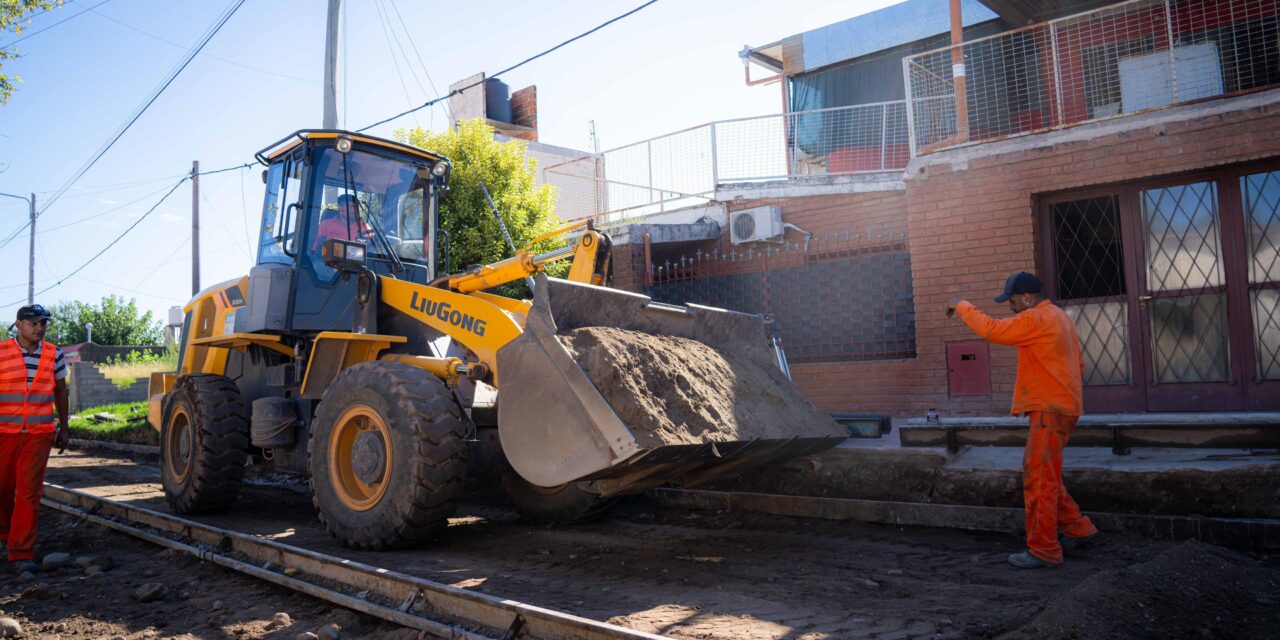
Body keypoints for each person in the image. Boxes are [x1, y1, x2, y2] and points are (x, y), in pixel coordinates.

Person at [946, 272, 1098, 569]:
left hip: (1050, 409)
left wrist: (961, 305)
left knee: (1038, 478)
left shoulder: (1036, 318)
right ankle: (1078, 528)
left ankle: (1043, 549)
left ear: (1027, 297)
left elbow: (993, 330)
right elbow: (1078, 363)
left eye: (1012, 301)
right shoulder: (1060, 318)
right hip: (1063, 406)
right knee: (1046, 472)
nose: (1011, 307)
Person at [0, 304, 69, 574]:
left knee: (28, 494)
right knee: (3, 488)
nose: (39, 328)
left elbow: (61, 391)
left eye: (43, 323)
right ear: (19, 325)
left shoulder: (55, 354)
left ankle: (21, 553)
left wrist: (63, 427)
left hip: (38, 434)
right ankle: (4, 535)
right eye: (34, 323)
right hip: (4, 431)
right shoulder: (2, 352)